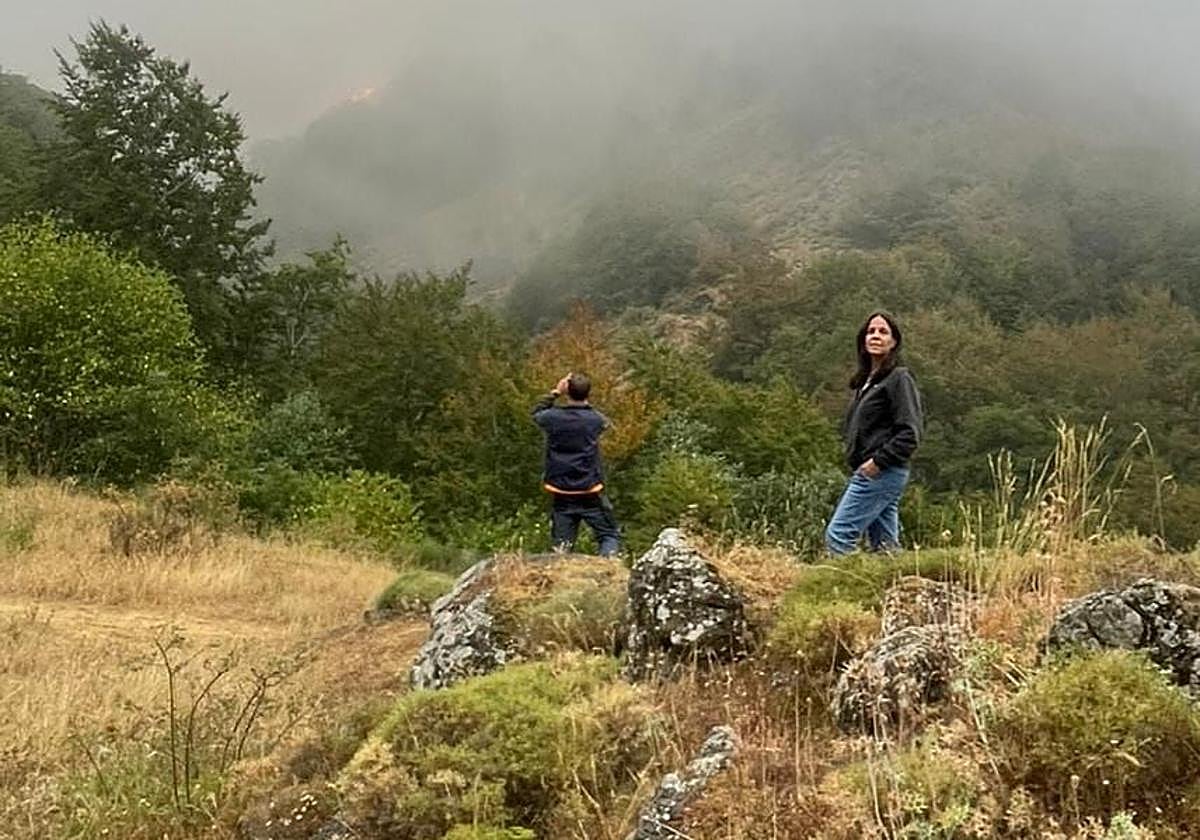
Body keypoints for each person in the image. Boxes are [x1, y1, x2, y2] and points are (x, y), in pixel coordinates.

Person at [824, 311, 923, 555]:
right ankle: (900, 579)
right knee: (885, 547)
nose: (876, 336)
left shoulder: (899, 378)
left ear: (894, 342)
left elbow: (910, 433)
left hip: (882, 471)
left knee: (838, 536)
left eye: (883, 331)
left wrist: (876, 463)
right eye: (870, 331)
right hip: (874, 471)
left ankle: (844, 580)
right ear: (862, 340)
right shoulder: (866, 383)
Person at [532, 371, 621, 556]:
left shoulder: (552, 418)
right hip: (590, 490)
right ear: (588, 393)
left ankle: (562, 571)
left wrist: (556, 392)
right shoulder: (595, 420)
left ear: (567, 391)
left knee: (562, 546)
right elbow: (606, 423)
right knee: (609, 535)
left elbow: (536, 413)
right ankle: (609, 566)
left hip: (561, 491)